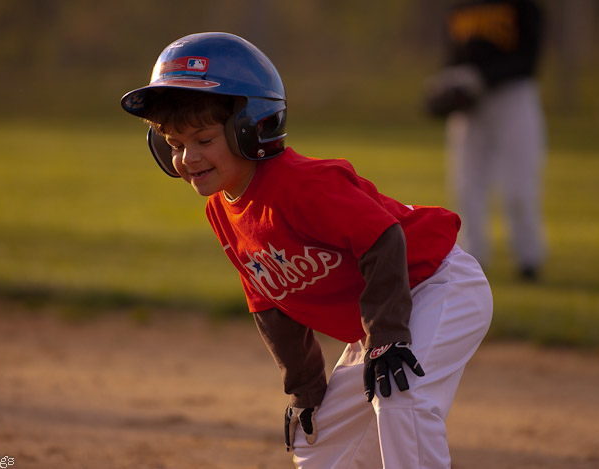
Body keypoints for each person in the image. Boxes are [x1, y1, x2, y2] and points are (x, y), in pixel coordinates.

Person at [121, 32, 493, 469]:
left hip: (438, 284)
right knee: (321, 436)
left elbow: (383, 238)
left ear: (252, 125)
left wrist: (387, 336)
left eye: (203, 140)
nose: (187, 157)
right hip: (382, 310)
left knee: (399, 393)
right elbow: (270, 304)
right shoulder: (222, 210)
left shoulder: (303, 185)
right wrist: (306, 387)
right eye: (176, 145)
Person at [425, 0, 547, 281]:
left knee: (519, 184)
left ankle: (529, 259)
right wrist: (447, 80)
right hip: (470, 103)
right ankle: (472, 257)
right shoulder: (458, 6)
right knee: (466, 184)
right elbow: (455, 54)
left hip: (513, 97)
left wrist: (483, 76)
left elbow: (529, 58)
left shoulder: (521, 5)